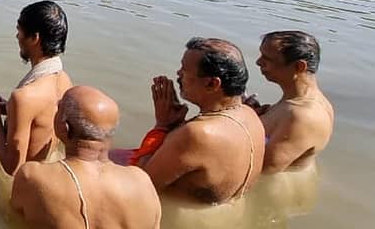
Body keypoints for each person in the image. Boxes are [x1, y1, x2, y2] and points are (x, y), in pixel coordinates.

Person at [125, 38, 265, 205]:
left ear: (212, 83)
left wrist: (161, 126)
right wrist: (176, 127)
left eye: (184, 70)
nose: (178, 74)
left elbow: (141, 186)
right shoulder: (250, 115)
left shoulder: (198, 134)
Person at [11, 86, 161, 229]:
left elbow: (11, 217)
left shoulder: (32, 176)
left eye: (59, 108)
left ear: (65, 127)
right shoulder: (143, 182)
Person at [0, 0, 73, 175]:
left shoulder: (25, 97)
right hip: (48, 165)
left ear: (35, 38)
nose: (17, 36)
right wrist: (9, 108)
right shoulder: (65, 80)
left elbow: (12, 169)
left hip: (25, 180)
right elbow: (41, 117)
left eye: (19, 30)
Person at [246, 30, 334, 173]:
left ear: (299, 67)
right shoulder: (297, 102)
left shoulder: (303, 116)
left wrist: (243, 120)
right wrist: (251, 115)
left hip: (275, 190)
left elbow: (265, 169)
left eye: (267, 58)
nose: (258, 62)